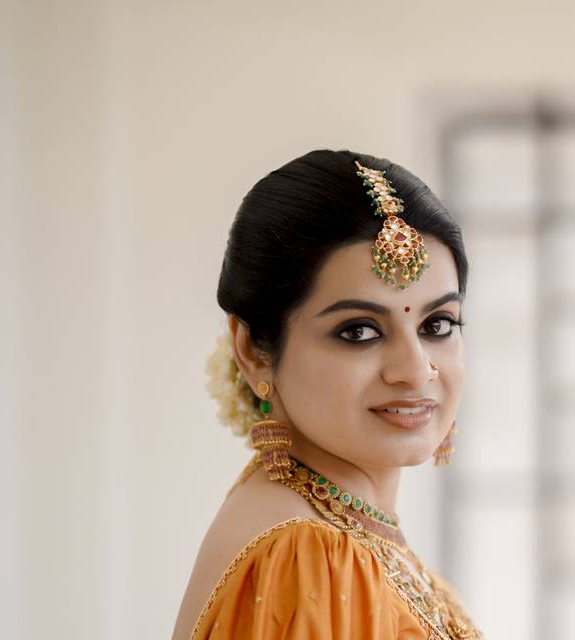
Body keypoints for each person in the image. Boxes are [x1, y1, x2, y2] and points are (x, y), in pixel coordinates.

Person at [171, 149, 483, 639]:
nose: (416, 370)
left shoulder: (331, 529)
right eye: (359, 331)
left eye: (437, 324)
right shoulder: (307, 555)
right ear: (253, 351)